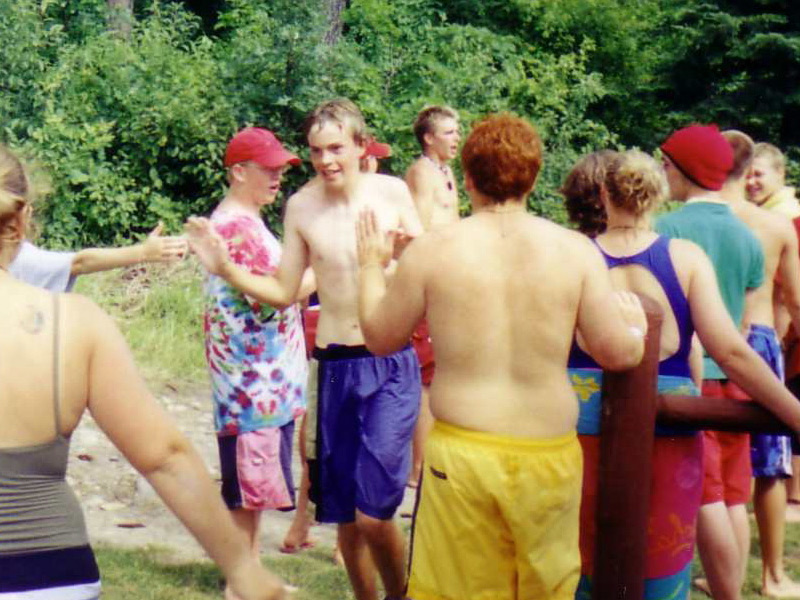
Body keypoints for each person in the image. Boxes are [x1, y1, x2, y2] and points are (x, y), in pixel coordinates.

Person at [357, 112, 649, 600]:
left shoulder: (432, 250)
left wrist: (370, 266)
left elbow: (380, 338)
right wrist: (636, 330)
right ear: (533, 178)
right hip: (547, 452)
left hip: (463, 452)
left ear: (467, 178)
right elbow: (617, 353)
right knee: (545, 590)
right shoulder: (575, 251)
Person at [0, 145, 287, 600]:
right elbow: (165, 457)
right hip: (51, 572)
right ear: (22, 219)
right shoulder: (75, 323)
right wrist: (241, 567)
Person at [186, 98, 423, 600]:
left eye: (336, 148)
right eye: (316, 151)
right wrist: (226, 269)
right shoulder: (302, 206)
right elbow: (282, 290)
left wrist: (405, 256)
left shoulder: (393, 192)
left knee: (374, 512)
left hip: (388, 360)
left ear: (361, 146)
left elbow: (429, 267)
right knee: (344, 515)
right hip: (334, 365)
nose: (325, 160)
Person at [563, 146, 800, 599]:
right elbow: (730, 352)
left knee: (578, 561)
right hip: (670, 429)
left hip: (582, 428)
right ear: (657, 198)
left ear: (603, 195)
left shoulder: (575, 256)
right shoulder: (685, 258)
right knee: (664, 558)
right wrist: (793, 412)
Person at [655, 123, 765, 600]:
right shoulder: (747, 235)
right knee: (736, 496)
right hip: (738, 379)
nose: (663, 173)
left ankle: (726, 593)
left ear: (685, 170)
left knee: (707, 497)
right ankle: (730, 586)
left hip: (695, 378)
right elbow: (745, 317)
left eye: (667, 165)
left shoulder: (666, 228)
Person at [200, 127, 310, 599]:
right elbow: (274, 294)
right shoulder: (236, 229)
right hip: (252, 382)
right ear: (239, 172)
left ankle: (251, 570)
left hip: (260, 381)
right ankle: (239, 581)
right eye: (268, 169)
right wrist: (327, 266)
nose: (277, 177)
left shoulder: (245, 220)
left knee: (254, 484)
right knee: (247, 486)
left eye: (281, 168)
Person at [280, 134, 393, 559]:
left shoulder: (384, 198)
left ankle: (329, 526)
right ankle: (306, 519)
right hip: (329, 340)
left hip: (378, 344)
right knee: (318, 434)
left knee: (364, 447)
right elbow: (301, 279)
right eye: (319, 152)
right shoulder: (309, 203)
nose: (372, 167)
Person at [720, 130, 800, 598]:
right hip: (760, 341)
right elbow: (796, 298)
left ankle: (725, 574)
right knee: (770, 466)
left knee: (717, 464)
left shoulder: (701, 222)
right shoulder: (775, 227)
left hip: (711, 343)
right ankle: (772, 575)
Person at [403, 105, 461, 487]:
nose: (457, 138)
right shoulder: (422, 173)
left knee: (441, 374)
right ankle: (417, 469)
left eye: (457, 131)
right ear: (428, 137)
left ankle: (433, 461)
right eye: (449, 132)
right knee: (426, 379)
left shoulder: (445, 171)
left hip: (450, 280)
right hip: (432, 283)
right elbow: (418, 232)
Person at [747, 142, 800, 513]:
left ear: (780, 175)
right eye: (747, 174)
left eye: (759, 174)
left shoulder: (785, 220)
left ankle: (793, 493)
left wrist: (781, 338)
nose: (751, 181)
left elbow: (784, 293)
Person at [10, 220, 186, 292]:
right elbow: (80, 263)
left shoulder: (19, 257)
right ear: (24, 214)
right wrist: (143, 252)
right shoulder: (19, 258)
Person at [746, 143, 800, 219]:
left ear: (780, 173)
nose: (750, 182)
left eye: (758, 174)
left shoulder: (786, 215)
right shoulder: (756, 210)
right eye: (747, 176)